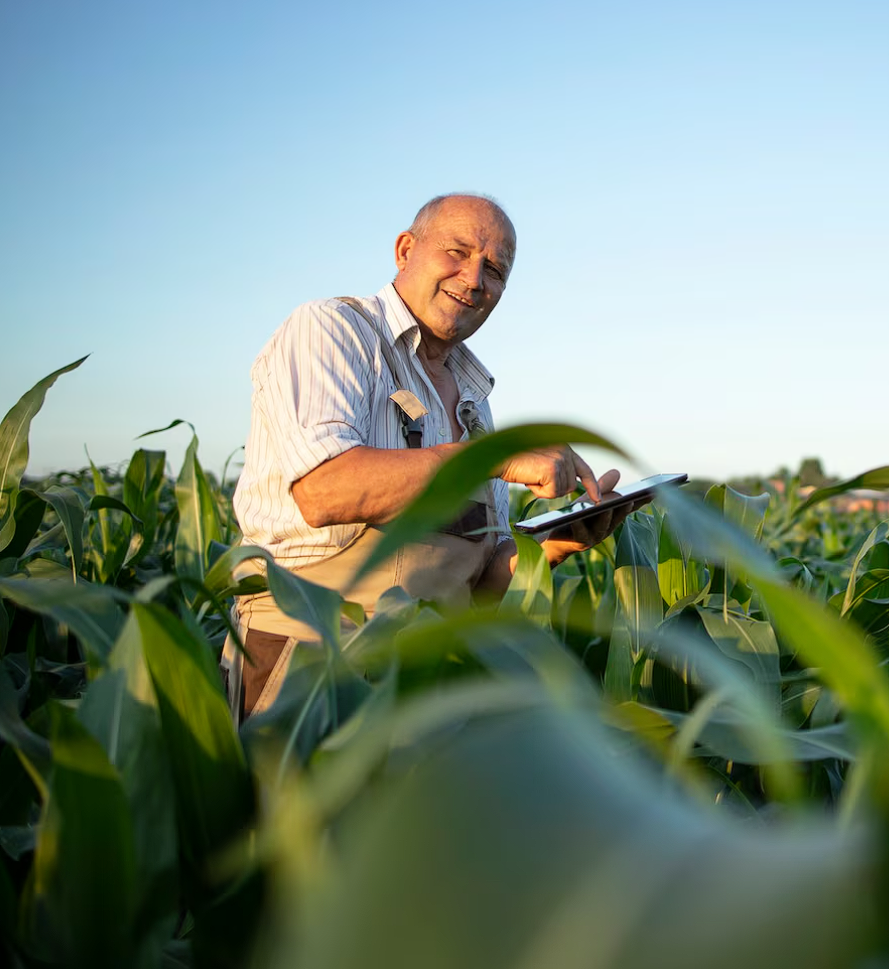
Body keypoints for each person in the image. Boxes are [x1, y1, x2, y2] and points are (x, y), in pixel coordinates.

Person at [225, 193, 631, 720]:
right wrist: (492, 458)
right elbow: (325, 490)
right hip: (316, 660)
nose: (473, 279)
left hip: (427, 675)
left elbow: (474, 586)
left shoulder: (472, 395)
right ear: (405, 249)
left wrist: (548, 549)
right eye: (457, 252)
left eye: (495, 270)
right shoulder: (333, 332)